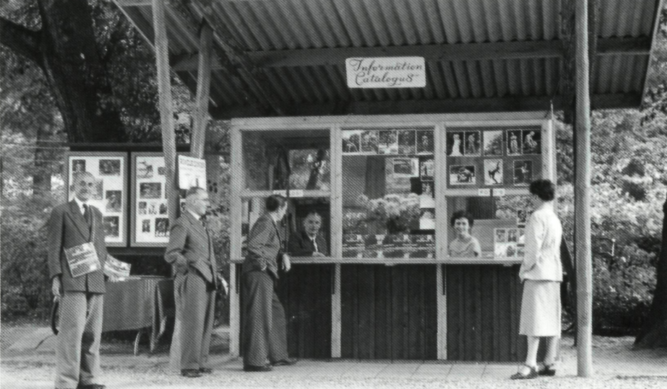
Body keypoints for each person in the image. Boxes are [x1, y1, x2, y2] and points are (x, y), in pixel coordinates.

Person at [48, 171, 113, 389]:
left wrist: (110, 269)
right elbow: (54, 247)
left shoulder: (96, 213)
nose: (86, 187)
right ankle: (66, 382)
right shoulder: (61, 212)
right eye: (82, 183)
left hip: (95, 280)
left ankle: (88, 379)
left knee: (92, 334)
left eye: (90, 184)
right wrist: (56, 277)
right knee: (71, 334)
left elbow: (101, 248)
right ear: (73, 186)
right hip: (72, 280)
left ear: (95, 188)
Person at [165, 187, 228, 378]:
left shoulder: (199, 223)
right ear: (192, 201)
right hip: (193, 277)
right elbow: (171, 253)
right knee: (193, 322)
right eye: (204, 200)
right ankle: (189, 365)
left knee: (206, 321)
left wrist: (215, 275)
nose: (207, 204)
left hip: (207, 278)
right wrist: (190, 267)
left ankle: (200, 361)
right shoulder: (183, 223)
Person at [511, 179, 563, 380]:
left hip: (538, 273)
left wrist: (524, 270)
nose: (531, 200)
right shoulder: (554, 218)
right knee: (551, 317)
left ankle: (530, 363)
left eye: (531, 196)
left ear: (536, 196)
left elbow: (532, 249)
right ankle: (549, 361)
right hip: (553, 273)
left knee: (534, 319)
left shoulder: (536, 217)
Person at [242, 195, 297, 372]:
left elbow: (268, 245)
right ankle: (254, 361)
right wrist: (263, 264)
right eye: (284, 208)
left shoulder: (270, 222)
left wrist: (282, 255)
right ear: (280, 208)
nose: (285, 212)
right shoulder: (265, 222)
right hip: (259, 274)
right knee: (260, 315)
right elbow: (253, 246)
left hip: (265, 274)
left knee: (276, 312)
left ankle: (278, 355)